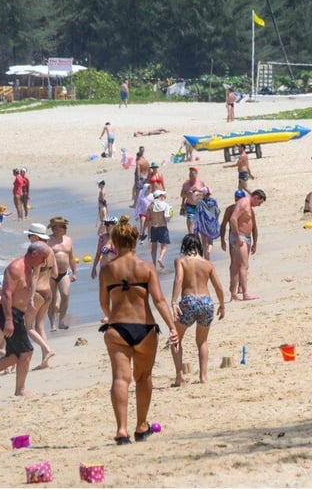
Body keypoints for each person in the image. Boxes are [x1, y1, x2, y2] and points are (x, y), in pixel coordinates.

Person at [99, 216, 178, 445]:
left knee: (120, 379)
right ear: (134, 241)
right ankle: (141, 426)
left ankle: (121, 430)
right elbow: (159, 300)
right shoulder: (146, 268)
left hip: (117, 328)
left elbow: (104, 303)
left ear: (114, 242)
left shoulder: (107, 270)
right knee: (143, 378)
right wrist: (172, 326)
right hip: (144, 328)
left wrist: (111, 311)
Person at [0, 243, 50, 398]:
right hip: (9, 313)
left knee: (14, 356)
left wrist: (30, 300)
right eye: (43, 258)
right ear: (34, 254)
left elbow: (31, 282)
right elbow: (6, 294)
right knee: (27, 351)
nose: (44, 262)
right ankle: (20, 389)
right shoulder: (15, 268)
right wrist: (8, 320)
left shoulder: (32, 267)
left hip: (18, 314)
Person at [170, 234, 225, 385]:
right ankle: (203, 377)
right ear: (198, 246)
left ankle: (179, 376)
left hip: (189, 301)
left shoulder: (181, 261)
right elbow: (218, 286)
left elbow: (178, 280)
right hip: (206, 302)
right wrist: (222, 305)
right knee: (202, 341)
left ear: (184, 247)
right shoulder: (207, 264)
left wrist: (174, 301)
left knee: (176, 339)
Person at [24, 223, 56, 366]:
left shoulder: (37, 251)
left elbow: (35, 276)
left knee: (28, 326)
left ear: (35, 236)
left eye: (30, 236)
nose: (29, 238)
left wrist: (30, 297)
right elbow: (55, 273)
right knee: (40, 326)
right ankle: (45, 359)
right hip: (49, 290)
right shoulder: (50, 251)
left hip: (37, 292)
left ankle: (47, 349)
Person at [226, 189, 266, 301]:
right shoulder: (243, 203)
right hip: (241, 237)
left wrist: (254, 242)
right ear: (256, 197)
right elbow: (233, 219)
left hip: (245, 238)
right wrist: (238, 237)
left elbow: (253, 226)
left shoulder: (248, 206)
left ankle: (233, 293)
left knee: (235, 265)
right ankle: (245, 293)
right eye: (259, 203)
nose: (258, 205)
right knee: (244, 265)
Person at [47, 216, 77, 331]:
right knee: (52, 299)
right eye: (53, 228)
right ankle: (52, 324)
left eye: (57, 228)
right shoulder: (48, 240)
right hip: (51, 274)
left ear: (63, 228)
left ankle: (61, 321)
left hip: (64, 273)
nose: (55, 230)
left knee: (65, 295)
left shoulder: (68, 240)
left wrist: (74, 273)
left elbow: (72, 257)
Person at [146, 190, 172, 270]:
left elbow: (148, 219)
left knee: (154, 247)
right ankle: (160, 258)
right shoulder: (165, 205)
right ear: (160, 196)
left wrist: (148, 232)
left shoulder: (150, 206)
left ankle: (154, 264)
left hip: (154, 228)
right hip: (163, 227)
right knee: (164, 247)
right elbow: (167, 217)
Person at [194, 187, 220, 259]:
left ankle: (206, 258)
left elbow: (197, 213)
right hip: (212, 223)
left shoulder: (200, 202)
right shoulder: (214, 201)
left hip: (203, 224)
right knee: (210, 242)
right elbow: (217, 212)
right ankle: (209, 251)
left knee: (204, 243)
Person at [179, 166, 205, 235]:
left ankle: (199, 238)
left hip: (199, 205)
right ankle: (191, 236)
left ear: (196, 175)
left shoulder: (201, 183)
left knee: (199, 223)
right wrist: (188, 193)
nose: (191, 178)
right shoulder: (186, 184)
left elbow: (206, 194)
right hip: (190, 205)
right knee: (190, 222)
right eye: (190, 176)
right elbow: (182, 195)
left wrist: (198, 191)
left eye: (193, 176)